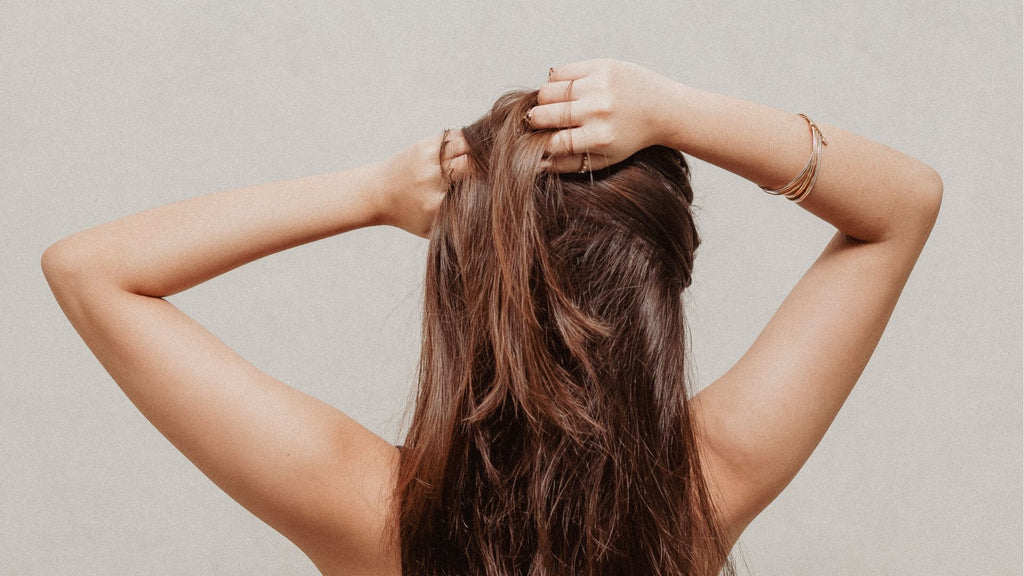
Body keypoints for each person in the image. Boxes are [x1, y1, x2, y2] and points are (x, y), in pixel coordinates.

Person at [41, 59, 942, 575]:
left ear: (458, 282)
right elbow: (904, 205)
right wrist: (677, 109)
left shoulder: (371, 518)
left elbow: (90, 271)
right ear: (663, 287)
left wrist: (370, 191)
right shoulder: (702, 492)